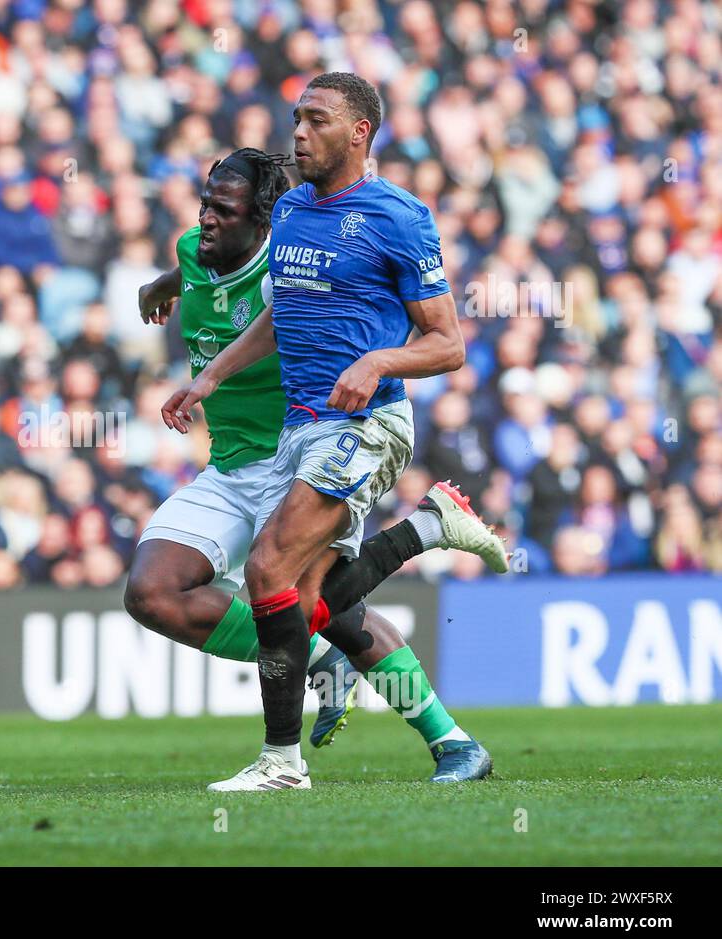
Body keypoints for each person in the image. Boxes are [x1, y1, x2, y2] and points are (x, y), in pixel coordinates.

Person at [162, 75, 507, 792]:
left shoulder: (398, 217)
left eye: (316, 120)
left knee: (267, 572)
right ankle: (430, 535)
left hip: (367, 422)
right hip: (301, 429)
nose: (299, 133)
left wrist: (378, 358)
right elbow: (276, 317)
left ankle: (282, 765)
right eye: (296, 118)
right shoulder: (289, 210)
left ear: (359, 133)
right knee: (314, 605)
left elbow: (447, 344)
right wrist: (211, 376)